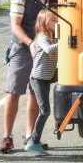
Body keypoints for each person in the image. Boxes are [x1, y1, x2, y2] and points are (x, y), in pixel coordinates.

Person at [0, 0, 56, 154]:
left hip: (43, 49)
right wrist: (31, 43)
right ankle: (7, 137)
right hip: (22, 47)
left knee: (35, 92)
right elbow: (15, 26)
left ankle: (30, 136)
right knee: (13, 91)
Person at [24, 8, 59, 155]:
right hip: (38, 78)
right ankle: (33, 142)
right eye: (53, 20)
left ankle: (33, 140)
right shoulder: (42, 37)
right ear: (44, 23)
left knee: (44, 110)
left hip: (46, 77)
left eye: (57, 20)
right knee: (45, 111)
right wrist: (65, 42)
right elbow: (48, 50)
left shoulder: (53, 37)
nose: (56, 22)